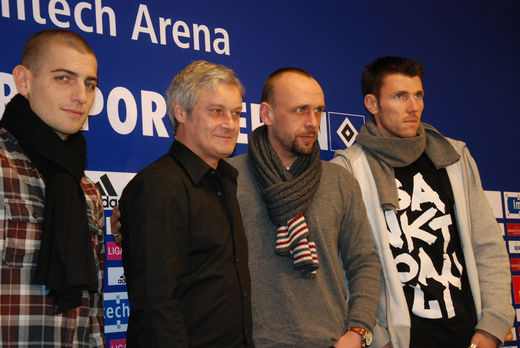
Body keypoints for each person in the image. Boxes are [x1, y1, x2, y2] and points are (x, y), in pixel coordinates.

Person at [332, 56, 514, 348]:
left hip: (469, 335)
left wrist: (492, 329)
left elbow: (487, 246)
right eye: (400, 96)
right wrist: (377, 339)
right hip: (402, 339)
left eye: (418, 95)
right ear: (372, 104)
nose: (414, 106)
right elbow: (343, 268)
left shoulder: (454, 157)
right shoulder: (349, 169)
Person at [228, 67, 381, 348]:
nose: (313, 122)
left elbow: (365, 262)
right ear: (267, 114)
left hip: (330, 341)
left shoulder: (339, 181)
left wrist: (358, 332)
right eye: (300, 110)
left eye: (319, 111)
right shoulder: (227, 178)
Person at [118, 60, 253, 347]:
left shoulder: (226, 181)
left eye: (236, 113)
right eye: (216, 111)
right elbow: (156, 306)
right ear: (180, 111)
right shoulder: (158, 187)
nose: (230, 124)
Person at [0, 29, 105, 346]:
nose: (81, 96)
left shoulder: (86, 191)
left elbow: (93, 313)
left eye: (89, 83)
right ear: (23, 81)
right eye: (63, 78)